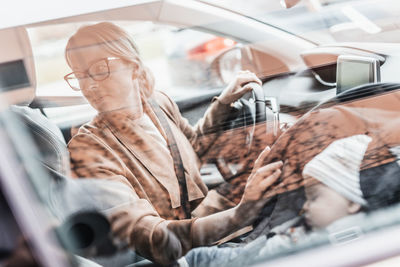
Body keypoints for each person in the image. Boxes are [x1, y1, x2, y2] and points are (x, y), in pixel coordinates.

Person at [64, 22, 283, 265]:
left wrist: (223, 103)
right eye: (80, 75)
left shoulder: (157, 103)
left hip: (218, 224)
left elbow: (190, 148)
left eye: (99, 68)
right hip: (191, 255)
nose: (88, 85)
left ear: (133, 66)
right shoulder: (89, 149)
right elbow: (151, 237)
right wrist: (241, 213)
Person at [179, 134, 372, 267]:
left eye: (314, 197)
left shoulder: (347, 245)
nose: (305, 206)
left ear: (353, 202)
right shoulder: (312, 231)